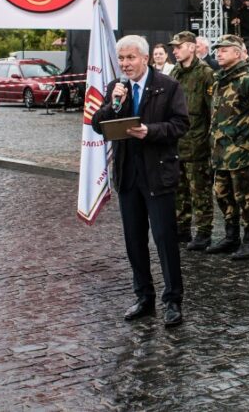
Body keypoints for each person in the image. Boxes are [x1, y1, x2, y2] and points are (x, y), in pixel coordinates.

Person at [91, 35, 189, 327]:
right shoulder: (116, 87)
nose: (125, 64)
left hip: (158, 173)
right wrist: (114, 105)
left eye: (130, 58)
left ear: (145, 58)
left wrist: (150, 131)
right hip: (128, 175)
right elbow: (97, 125)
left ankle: (172, 300)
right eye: (121, 58)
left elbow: (181, 124)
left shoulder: (168, 86)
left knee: (164, 239)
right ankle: (144, 297)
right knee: (134, 240)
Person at [206, 34, 249, 260]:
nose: (218, 53)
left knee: (246, 197)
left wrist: (248, 138)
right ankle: (231, 236)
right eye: (217, 50)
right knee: (222, 195)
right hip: (220, 151)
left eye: (224, 50)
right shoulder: (219, 79)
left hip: (242, 152)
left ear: (237, 53)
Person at [168, 31, 217, 251]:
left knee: (200, 192)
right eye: (174, 48)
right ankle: (182, 228)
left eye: (179, 47)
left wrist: (209, 142)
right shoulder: (175, 72)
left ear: (192, 47)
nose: (175, 51)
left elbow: (212, 111)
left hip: (198, 144)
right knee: (179, 190)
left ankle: (204, 232)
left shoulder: (206, 73)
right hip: (177, 142)